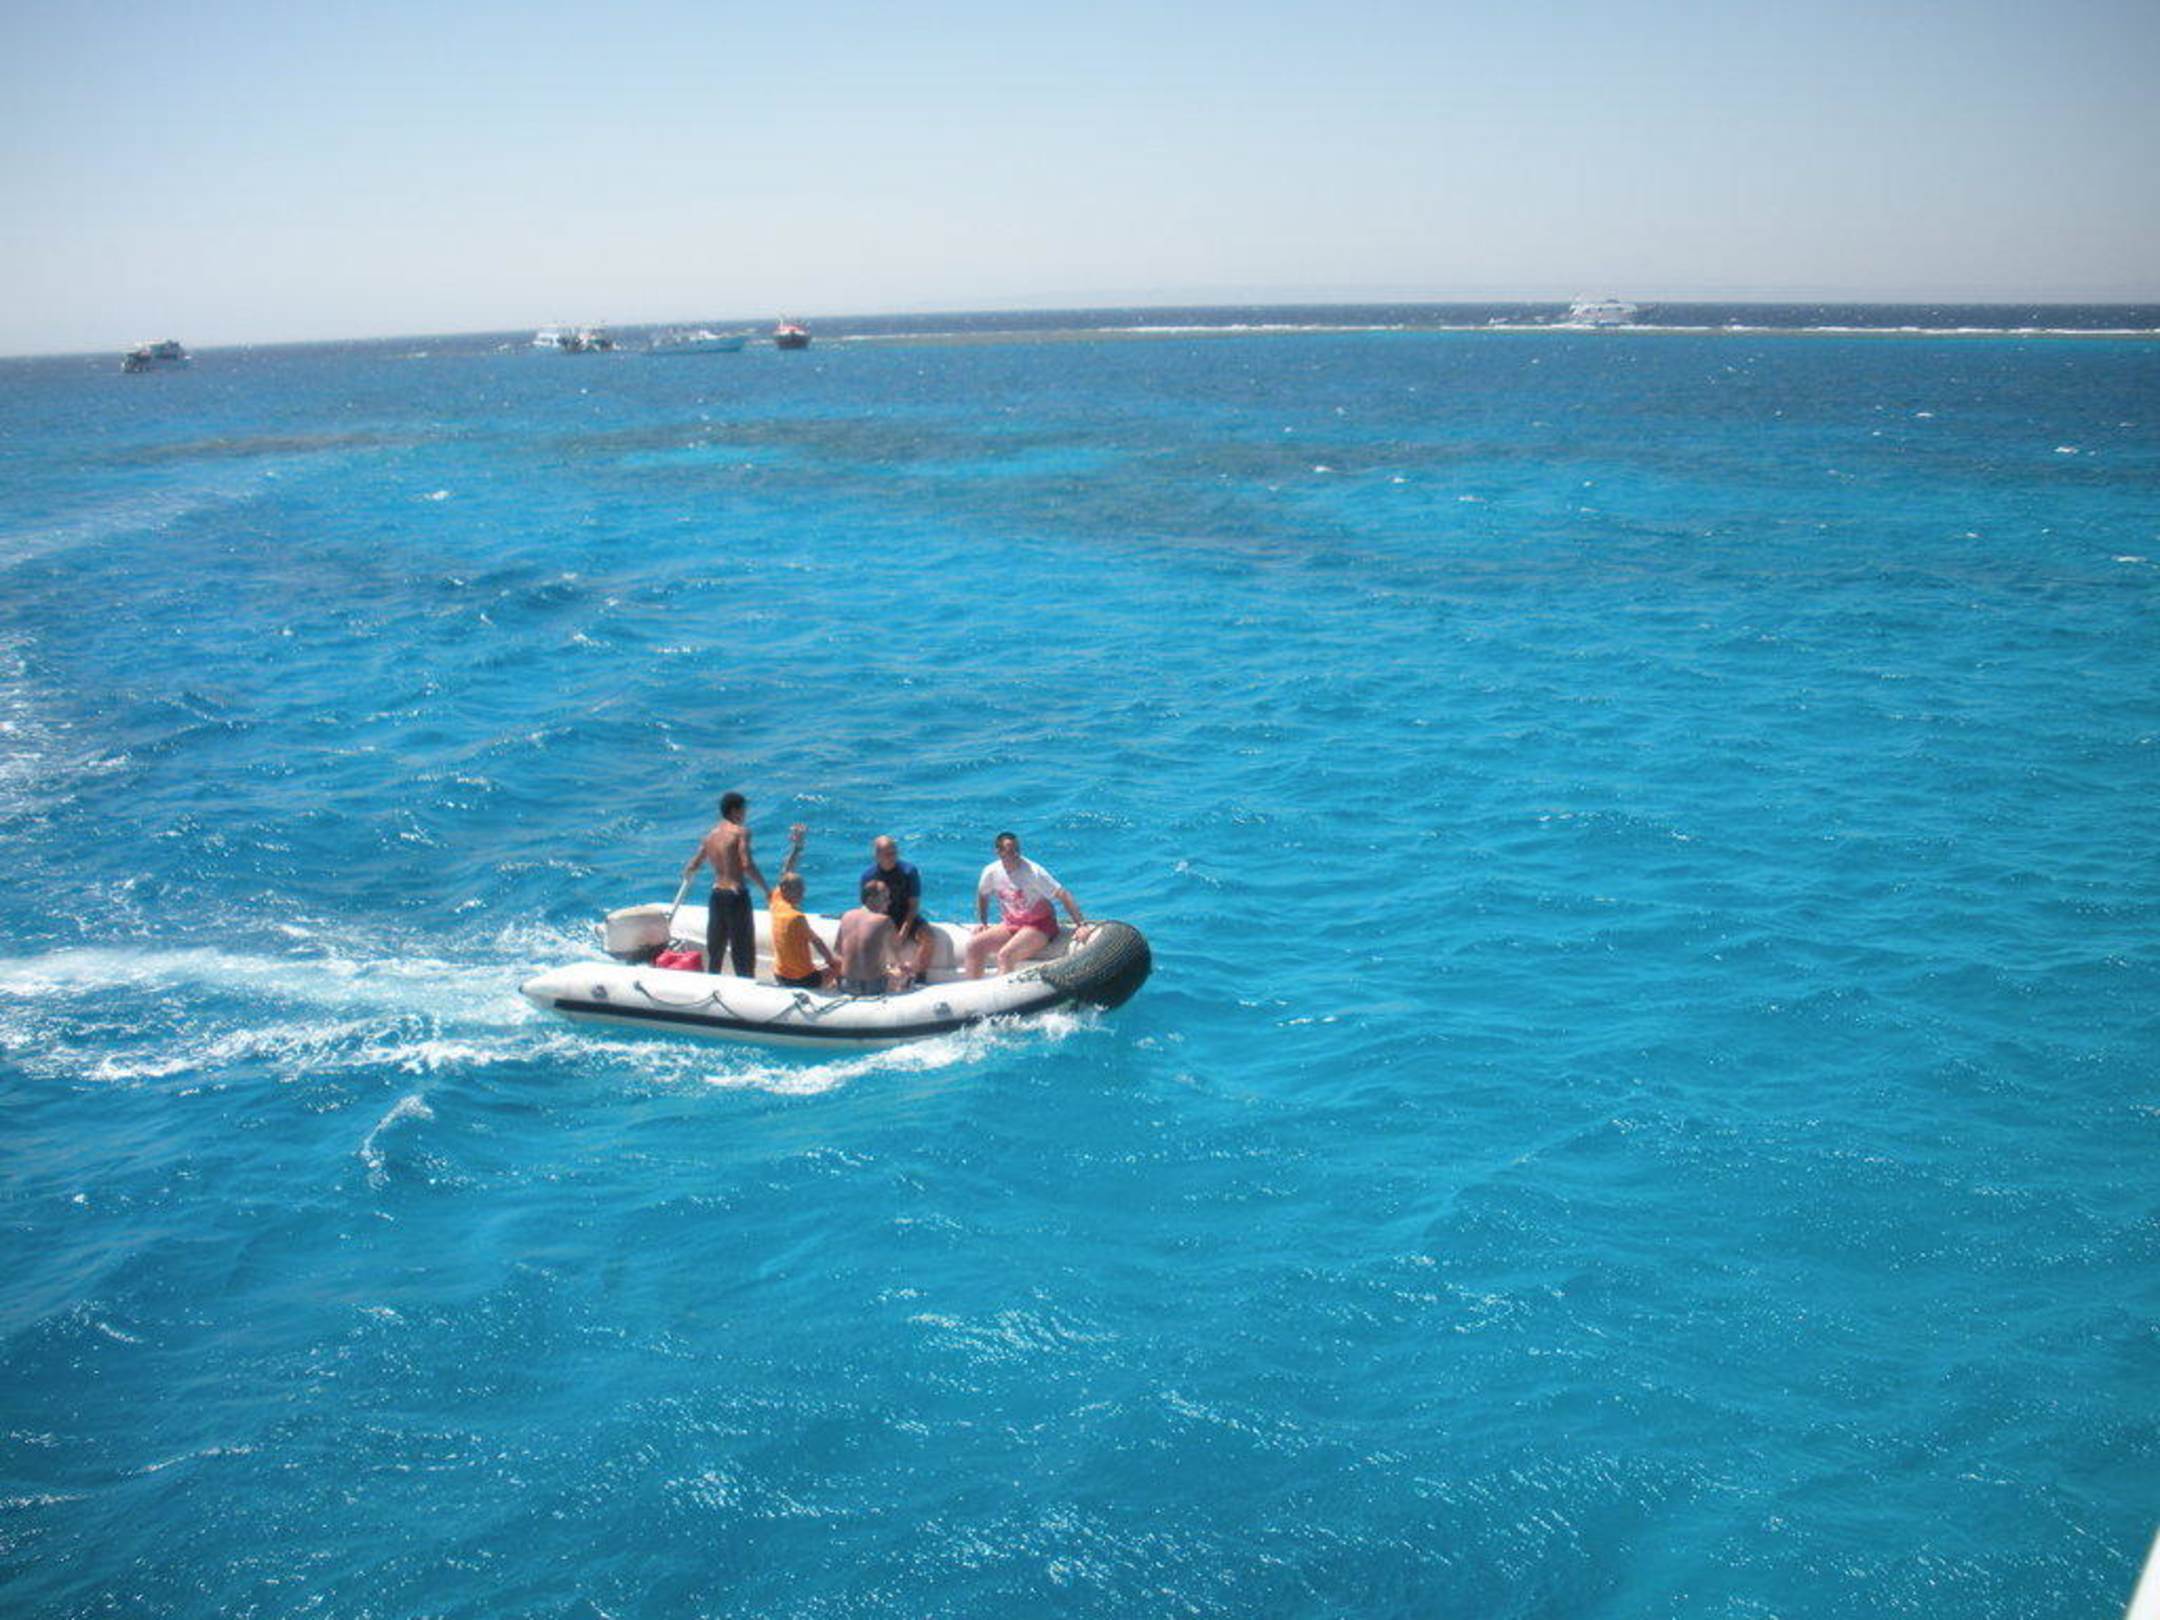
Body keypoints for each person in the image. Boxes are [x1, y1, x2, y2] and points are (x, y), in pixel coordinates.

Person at [964, 831, 1086, 979]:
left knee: (1005, 955)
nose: (1016, 855)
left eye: (1017, 850)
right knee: (974, 946)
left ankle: (1002, 993)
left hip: (1040, 926)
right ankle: (974, 988)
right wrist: (983, 922)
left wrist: (1081, 925)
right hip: (1012, 924)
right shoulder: (991, 872)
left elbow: (1063, 895)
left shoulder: (1034, 872)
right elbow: (983, 894)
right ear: (999, 853)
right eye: (1010, 851)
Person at [681, 791, 771, 977]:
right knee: (742, 950)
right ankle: (746, 986)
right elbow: (747, 864)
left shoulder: (710, 837)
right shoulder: (740, 832)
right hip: (736, 896)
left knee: (716, 949)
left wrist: (688, 873)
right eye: (744, 810)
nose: (745, 814)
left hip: (716, 895)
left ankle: (713, 983)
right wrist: (765, 889)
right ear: (735, 811)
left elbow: (692, 866)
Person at [768, 824, 838, 989]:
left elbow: (785, 872)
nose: (802, 895)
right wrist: (832, 961)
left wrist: (797, 848)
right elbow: (817, 942)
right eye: (799, 891)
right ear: (788, 891)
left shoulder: (776, 901)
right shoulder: (797, 917)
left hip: (779, 975)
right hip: (803, 980)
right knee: (839, 966)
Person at [862, 834, 935, 987]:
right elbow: (867, 908)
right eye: (888, 854)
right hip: (880, 919)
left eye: (894, 853)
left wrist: (903, 931)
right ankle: (874, 975)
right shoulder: (868, 876)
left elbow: (913, 905)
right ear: (877, 856)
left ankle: (919, 977)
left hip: (906, 916)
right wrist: (884, 929)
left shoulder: (909, 872)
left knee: (928, 937)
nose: (892, 857)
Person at [834, 878, 900, 996]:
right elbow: (895, 955)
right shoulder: (884, 920)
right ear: (870, 899)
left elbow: (838, 950)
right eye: (885, 898)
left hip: (846, 985)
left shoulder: (846, 916)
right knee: (903, 973)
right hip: (873, 987)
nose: (889, 902)